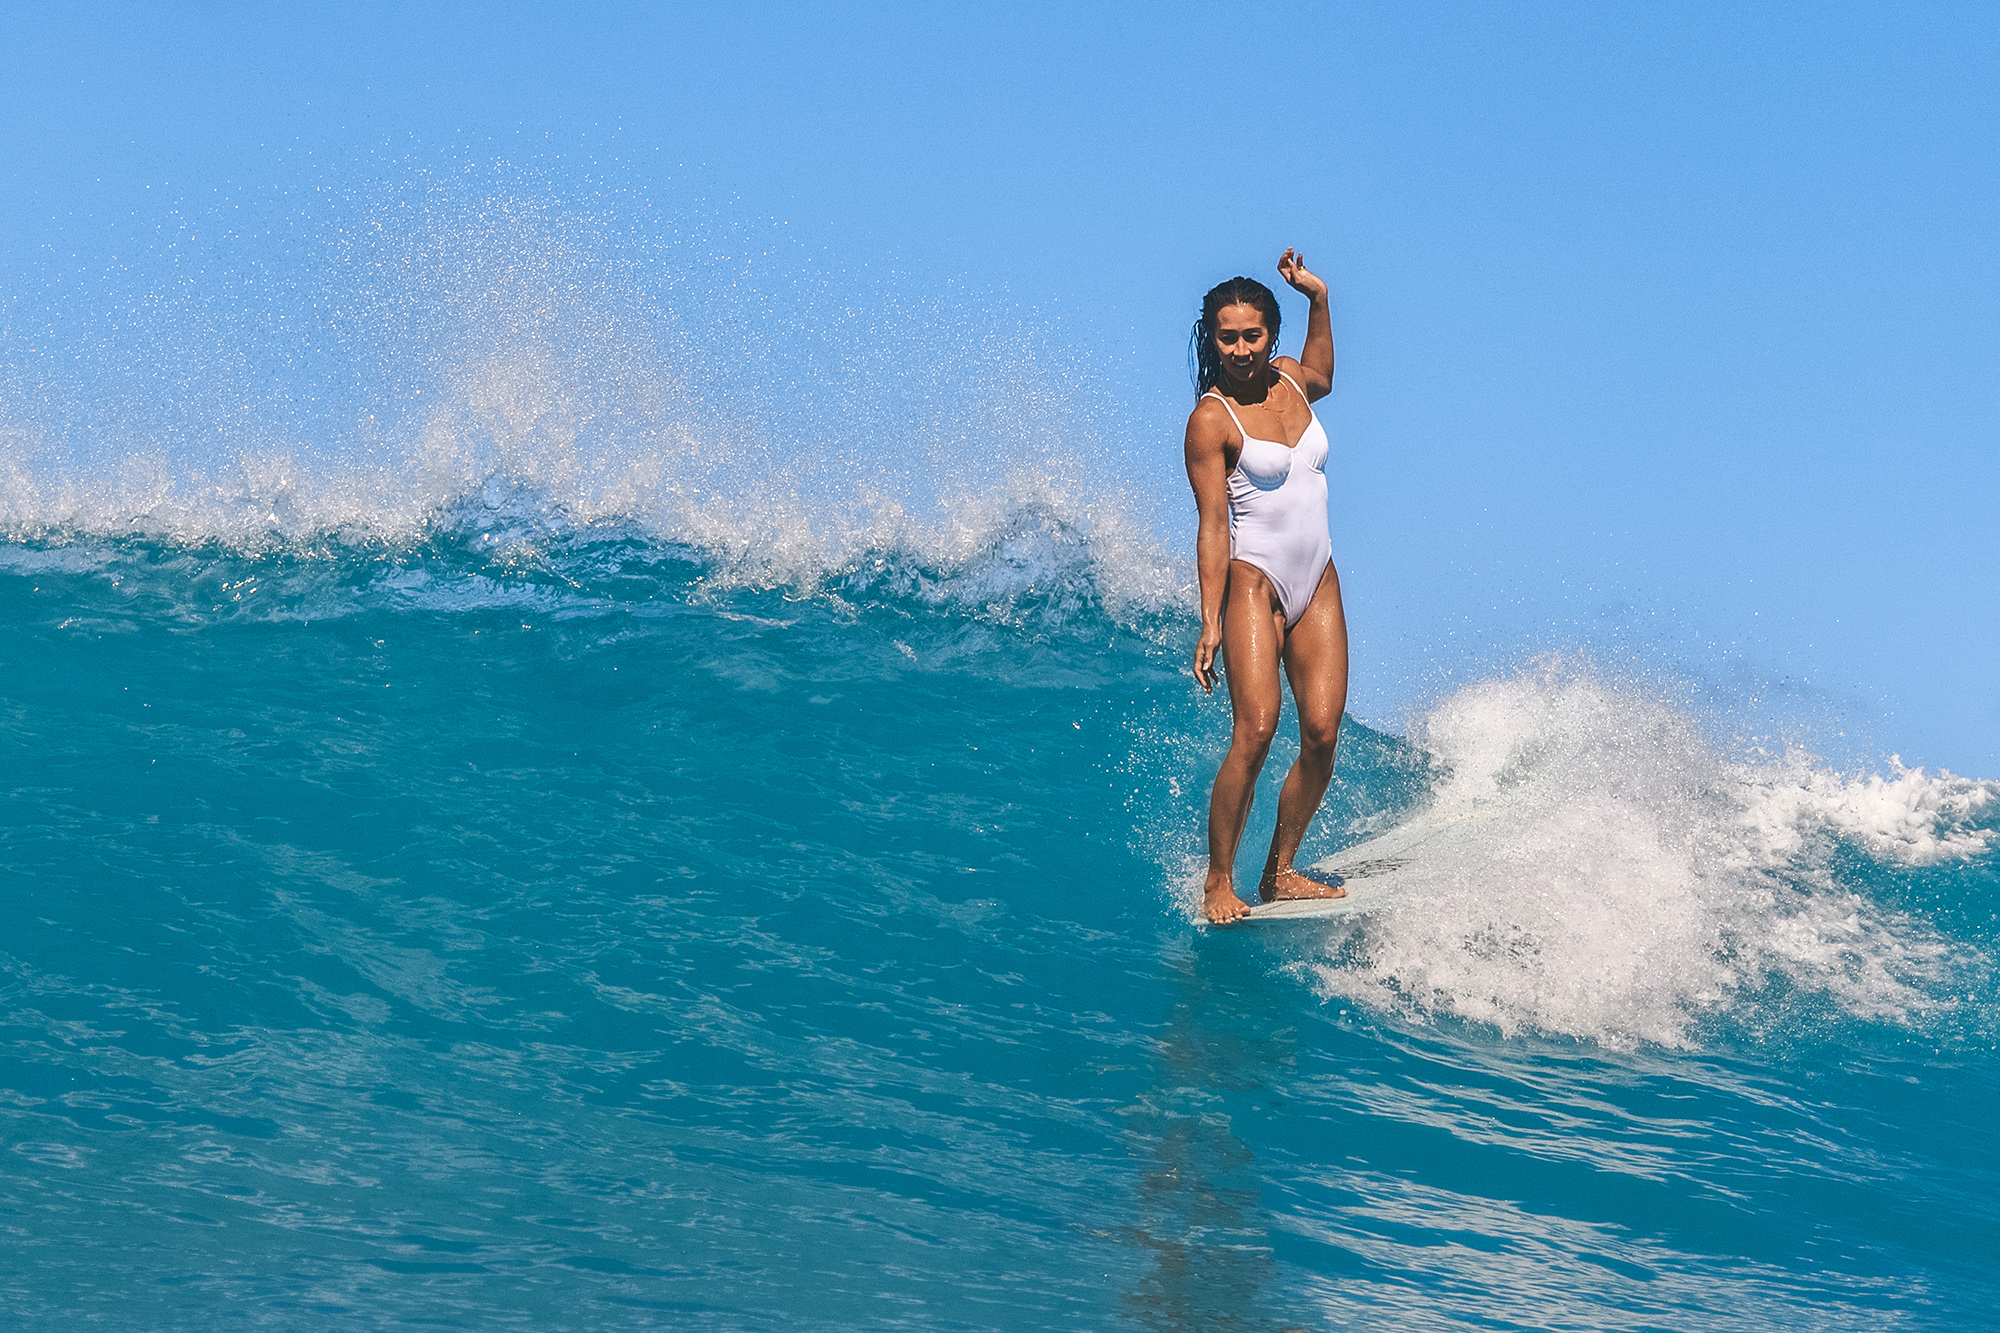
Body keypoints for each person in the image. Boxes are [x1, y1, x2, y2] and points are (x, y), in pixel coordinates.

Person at [1183, 250, 1349, 925]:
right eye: (1228, 336)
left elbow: (1325, 375)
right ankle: (1218, 880)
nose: (1242, 348)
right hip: (1256, 581)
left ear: (1269, 335)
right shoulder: (1211, 419)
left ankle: (1279, 872)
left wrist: (1320, 297)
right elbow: (1214, 526)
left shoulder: (1290, 379)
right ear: (1211, 338)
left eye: (1253, 334)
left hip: (1319, 575)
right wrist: (1210, 619)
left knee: (1320, 732)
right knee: (1255, 729)